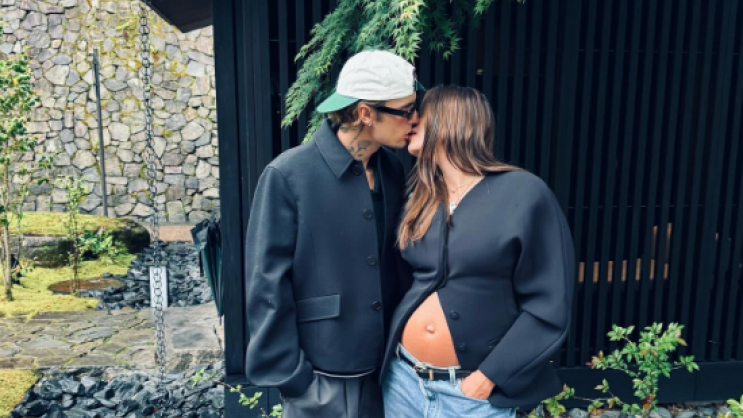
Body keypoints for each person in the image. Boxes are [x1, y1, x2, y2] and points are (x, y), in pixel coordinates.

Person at [244, 50, 422, 418]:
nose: (415, 119)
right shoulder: (288, 175)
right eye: (405, 110)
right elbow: (266, 285)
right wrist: (295, 380)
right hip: (320, 377)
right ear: (365, 113)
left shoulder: (391, 169)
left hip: (385, 371)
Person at [381, 85, 575, 417]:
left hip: (469, 395)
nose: (410, 120)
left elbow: (549, 305)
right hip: (403, 381)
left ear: (448, 120)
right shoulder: (422, 198)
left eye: (419, 114)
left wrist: (487, 378)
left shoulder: (524, 193)